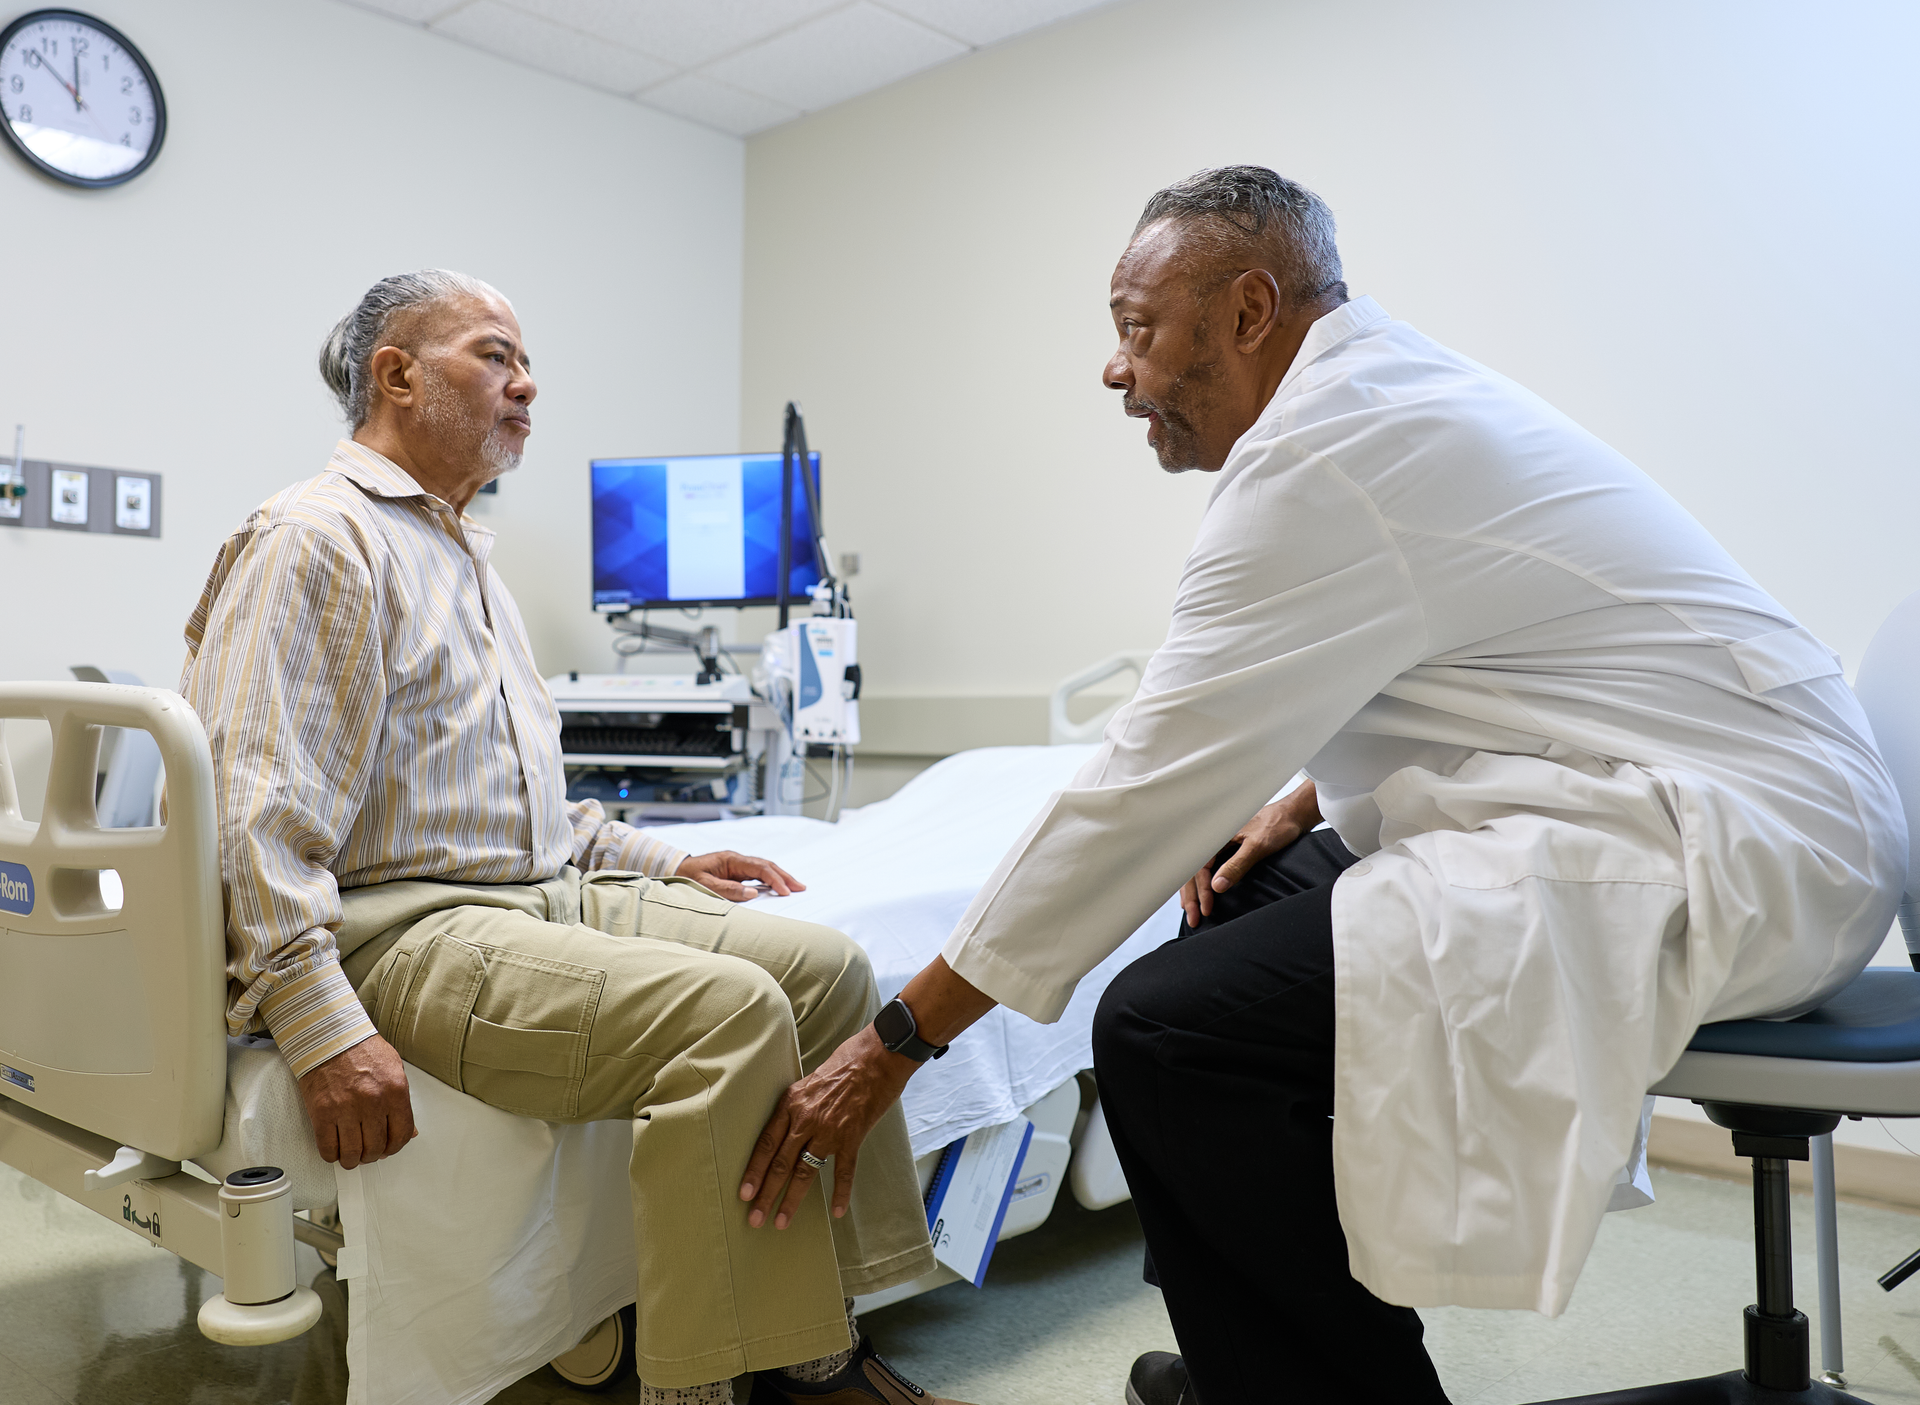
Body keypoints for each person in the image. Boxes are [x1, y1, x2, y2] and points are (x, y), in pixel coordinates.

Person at [735, 168, 1906, 1404]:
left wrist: (899, 1037)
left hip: (1753, 849)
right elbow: (1474, 657)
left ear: (1248, 312)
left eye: (1138, 327)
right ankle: (1268, 1362)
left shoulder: (1329, 455)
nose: (1114, 369)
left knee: (1162, 1027)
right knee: (1236, 891)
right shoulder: (1374, 402)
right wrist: (1298, 793)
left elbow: (1135, 793)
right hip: (1688, 791)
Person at [180, 270, 970, 1405]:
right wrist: (315, 1027)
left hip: (531, 892)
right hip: (400, 926)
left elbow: (524, 808)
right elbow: (252, 815)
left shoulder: (464, 558)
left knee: (825, 968)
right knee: (731, 1015)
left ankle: (817, 1337)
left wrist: (663, 860)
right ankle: (701, 1379)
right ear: (396, 375)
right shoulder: (315, 539)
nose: (528, 383)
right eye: (495, 355)